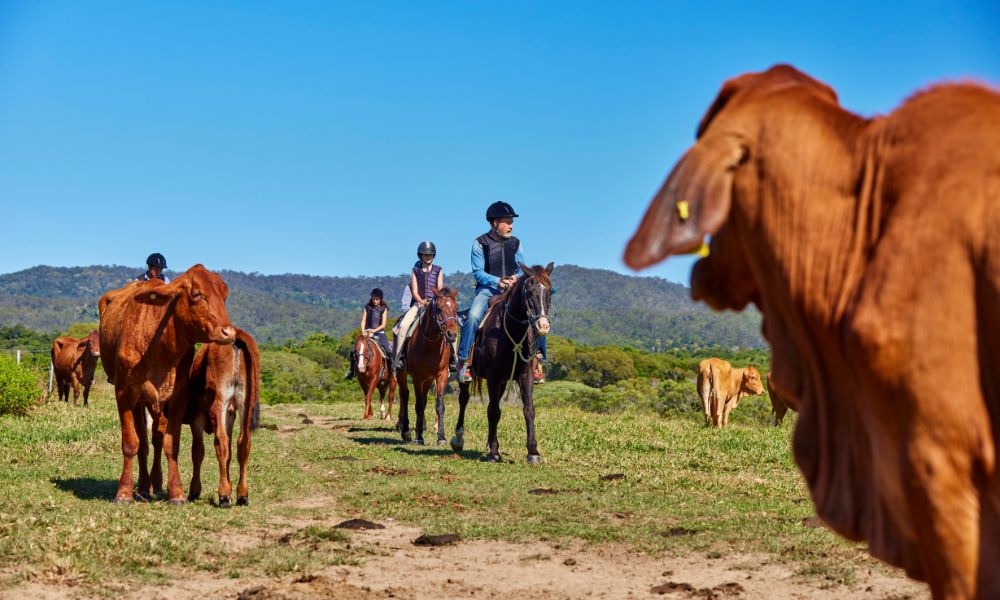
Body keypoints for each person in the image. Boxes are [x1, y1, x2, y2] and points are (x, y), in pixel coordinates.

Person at [456, 201, 546, 382]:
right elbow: (478, 273)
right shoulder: (479, 243)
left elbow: (522, 268)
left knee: (537, 311)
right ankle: (464, 362)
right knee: (473, 316)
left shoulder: (516, 243)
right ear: (495, 223)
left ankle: (538, 361)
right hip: (488, 290)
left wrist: (515, 278)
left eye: (511, 221)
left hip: (512, 289)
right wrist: (498, 281)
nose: (511, 225)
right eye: (507, 221)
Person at [391, 241, 456, 370]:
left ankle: (453, 358)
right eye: (425, 255)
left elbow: (440, 288)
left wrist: (435, 300)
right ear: (420, 255)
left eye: (430, 254)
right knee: (403, 325)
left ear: (434, 255)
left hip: (435, 303)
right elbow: (414, 291)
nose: (428, 257)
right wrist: (420, 301)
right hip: (419, 304)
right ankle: (399, 357)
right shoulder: (416, 270)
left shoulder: (438, 270)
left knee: (452, 325)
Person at [346, 288, 392, 379]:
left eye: (377, 299)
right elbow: (363, 321)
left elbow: (383, 325)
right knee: (353, 349)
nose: (375, 301)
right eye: (373, 299)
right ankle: (352, 370)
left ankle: (392, 370)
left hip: (379, 333)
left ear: (380, 299)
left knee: (389, 350)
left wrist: (374, 331)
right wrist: (363, 330)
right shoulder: (367, 307)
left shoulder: (384, 309)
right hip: (367, 333)